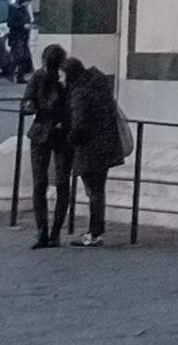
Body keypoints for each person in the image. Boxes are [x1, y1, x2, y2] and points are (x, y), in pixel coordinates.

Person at [64, 49, 129, 243]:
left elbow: (80, 124)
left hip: (91, 149)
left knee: (93, 191)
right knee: (98, 190)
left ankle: (94, 233)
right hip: (106, 145)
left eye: (62, 76)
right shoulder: (97, 85)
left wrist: (69, 139)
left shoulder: (79, 93)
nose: (61, 80)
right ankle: (96, 231)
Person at [22, 47, 78, 248]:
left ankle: (55, 232)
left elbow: (73, 104)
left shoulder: (66, 78)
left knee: (62, 182)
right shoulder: (39, 77)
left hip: (62, 134)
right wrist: (30, 105)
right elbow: (27, 101)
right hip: (41, 133)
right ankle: (42, 231)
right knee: (40, 182)